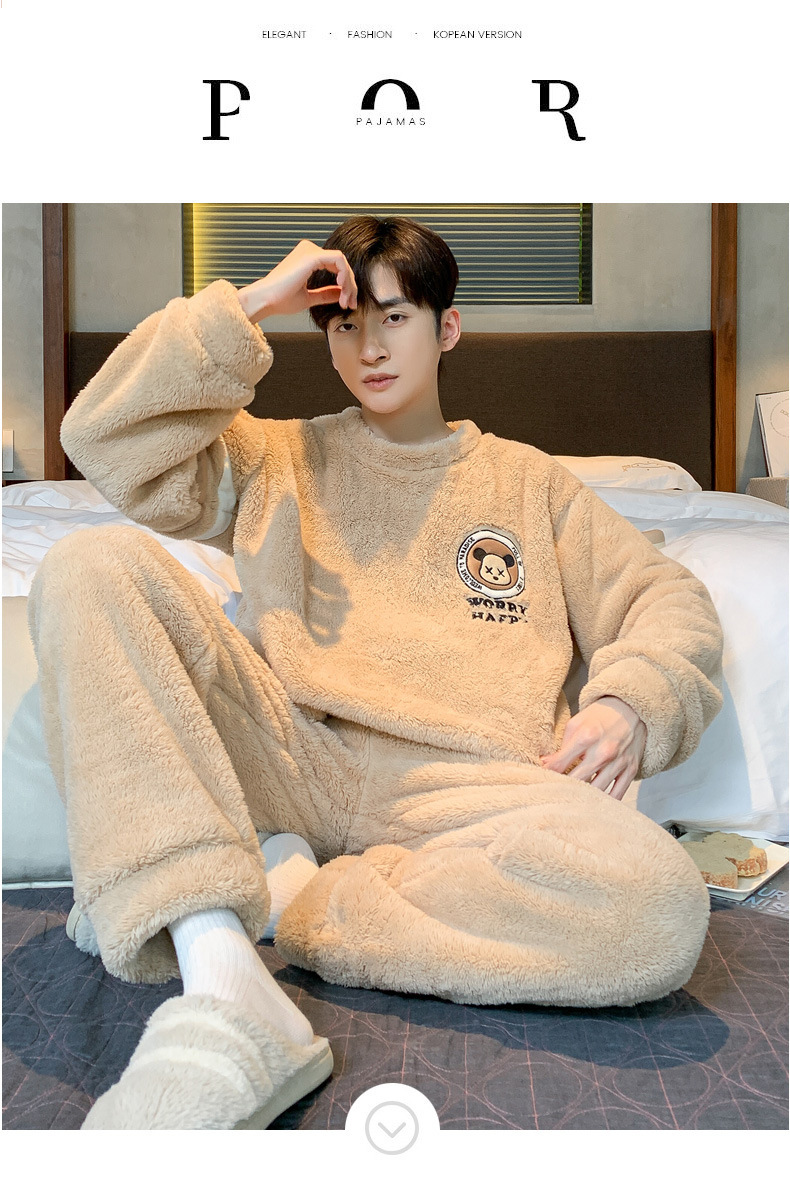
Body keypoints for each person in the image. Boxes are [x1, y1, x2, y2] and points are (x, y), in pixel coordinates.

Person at [28, 216, 724, 1130]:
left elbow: (665, 598)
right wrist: (252, 304)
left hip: (466, 790)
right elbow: (105, 437)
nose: (370, 348)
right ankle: (219, 966)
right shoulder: (273, 457)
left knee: (658, 909)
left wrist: (633, 701)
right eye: (346, 325)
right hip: (288, 751)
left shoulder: (530, 484)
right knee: (86, 565)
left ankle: (290, 897)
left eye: (395, 318)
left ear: (447, 328)